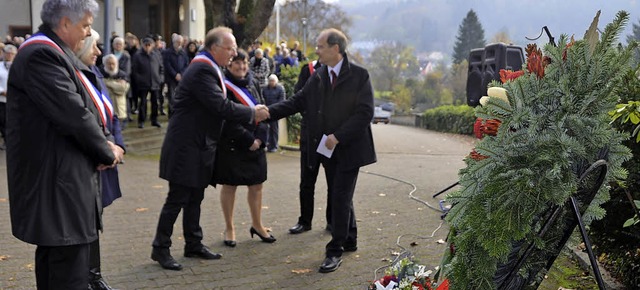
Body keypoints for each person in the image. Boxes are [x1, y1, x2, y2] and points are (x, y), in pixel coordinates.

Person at [6, 0, 122, 288]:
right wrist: (106, 150)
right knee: (67, 274)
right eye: (85, 25)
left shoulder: (54, 53)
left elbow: (86, 110)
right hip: (57, 185)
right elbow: (75, 115)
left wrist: (107, 141)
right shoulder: (42, 54)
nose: (87, 33)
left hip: (62, 181)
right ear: (65, 23)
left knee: (59, 266)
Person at [151, 26, 271, 271]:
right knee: (177, 198)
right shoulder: (202, 69)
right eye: (230, 48)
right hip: (186, 147)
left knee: (196, 196)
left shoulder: (210, 66)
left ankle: (193, 243)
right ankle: (160, 248)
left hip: (200, 145)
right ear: (215, 47)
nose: (234, 53)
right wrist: (252, 113)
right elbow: (220, 106)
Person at [268, 28, 376, 273]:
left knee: (339, 197)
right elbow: (297, 101)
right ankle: (350, 238)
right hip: (329, 151)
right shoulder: (319, 75)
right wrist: (267, 113)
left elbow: (365, 113)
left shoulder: (359, 75)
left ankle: (334, 250)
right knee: (342, 195)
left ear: (335, 48)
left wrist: (338, 136)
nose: (316, 50)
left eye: (320, 46)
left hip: (350, 148)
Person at [76, 29, 126, 290]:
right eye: (94, 46)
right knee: (84, 220)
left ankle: (94, 274)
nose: (98, 52)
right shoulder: (74, 75)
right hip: (92, 160)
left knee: (95, 218)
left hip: (106, 157)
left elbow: (112, 115)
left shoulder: (94, 73)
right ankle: (87, 276)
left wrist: (119, 146)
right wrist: (106, 150)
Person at [213, 49, 275, 248]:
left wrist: (260, 137)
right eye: (237, 63)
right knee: (230, 186)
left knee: (256, 186)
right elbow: (225, 117)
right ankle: (229, 227)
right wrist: (248, 139)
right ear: (229, 65)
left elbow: (262, 109)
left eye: (244, 63)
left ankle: (257, 225)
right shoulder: (223, 85)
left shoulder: (253, 82)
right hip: (233, 143)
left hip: (256, 142)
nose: (241, 67)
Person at [286, 58, 334, 235]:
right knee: (307, 182)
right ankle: (305, 221)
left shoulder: (339, 72)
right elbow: (298, 96)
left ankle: (332, 221)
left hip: (329, 138)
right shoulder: (309, 69)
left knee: (333, 183)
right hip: (310, 136)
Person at [132, 37, 163, 128]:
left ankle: (154, 119)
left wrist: (160, 78)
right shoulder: (138, 55)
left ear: (152, 45)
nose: (148, 47)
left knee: (155, 103)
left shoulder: (156, 54)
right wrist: (139, 79)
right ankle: (141, 120)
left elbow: (161, 68)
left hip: (155, 82)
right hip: (143, 83)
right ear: (143, 45)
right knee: (143, 103)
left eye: (149, 45)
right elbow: (134, 70)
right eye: (146, 45)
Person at [162, 34, 189, 117]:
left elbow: (186, 64)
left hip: (181, 77)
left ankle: (179, 112)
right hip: (171, 77)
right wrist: (175, 74)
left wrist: (181, 74)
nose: (180, 44)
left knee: (180, 95)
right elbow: (167, 65)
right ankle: (172, 113)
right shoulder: (167, 52)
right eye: (178, 42)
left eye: (181, 42)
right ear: (174, 42)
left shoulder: (183, 52)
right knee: (171, 96)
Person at [101, 54, 130, 127]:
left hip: (119, 108)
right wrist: (115, 85)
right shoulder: (101, 73)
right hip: (106, 108)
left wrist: (107, 83)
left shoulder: (122, 74)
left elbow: (122, 89)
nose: (111, 66)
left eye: (113, 64)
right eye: (109, 64)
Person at [262, 74, 285, 153]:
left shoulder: (280, 89)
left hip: (275, 111)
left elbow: (282, 100)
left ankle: (274, 145)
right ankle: (267, 145)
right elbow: (262, 98)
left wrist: (275, 108)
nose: (271, 82)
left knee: (274, 129)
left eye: (273, 81)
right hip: (266, 110)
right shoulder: (265, 89)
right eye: (270, 81)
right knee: (266, 128)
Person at [0, 44, 16, 150]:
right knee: (2, 121)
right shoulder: (0, 65)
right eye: (7, 53)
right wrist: (2, 91)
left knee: (12, 121)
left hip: (14, 99)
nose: (9, 55)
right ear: (4, 54)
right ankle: (6, 140)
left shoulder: (18, 65)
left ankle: (11, 141)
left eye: (12, 53)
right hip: (1, 98)